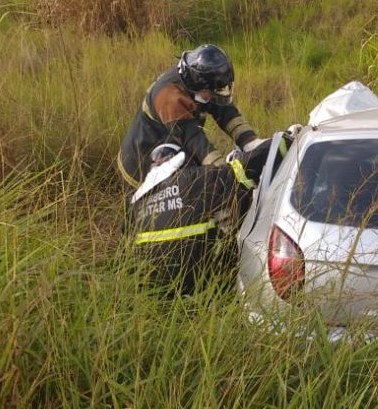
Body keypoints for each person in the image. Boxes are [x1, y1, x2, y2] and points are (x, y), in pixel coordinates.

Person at [126, 140, 274, 296]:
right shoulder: (195, 179)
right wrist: (283, 139)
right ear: (184, 161)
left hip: (154, 294)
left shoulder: (135, 202)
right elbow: (244, 166)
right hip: (199, 289)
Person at [117, 44, 264, 188]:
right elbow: (195, 141)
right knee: (193, 186)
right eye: (212, 92)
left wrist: (251, 143)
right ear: (199, 87)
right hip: (141, 164)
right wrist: (226, 174)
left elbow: (225, 111)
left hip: (172, 145)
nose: (216, 95)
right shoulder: (169, 97)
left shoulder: (200, 80)